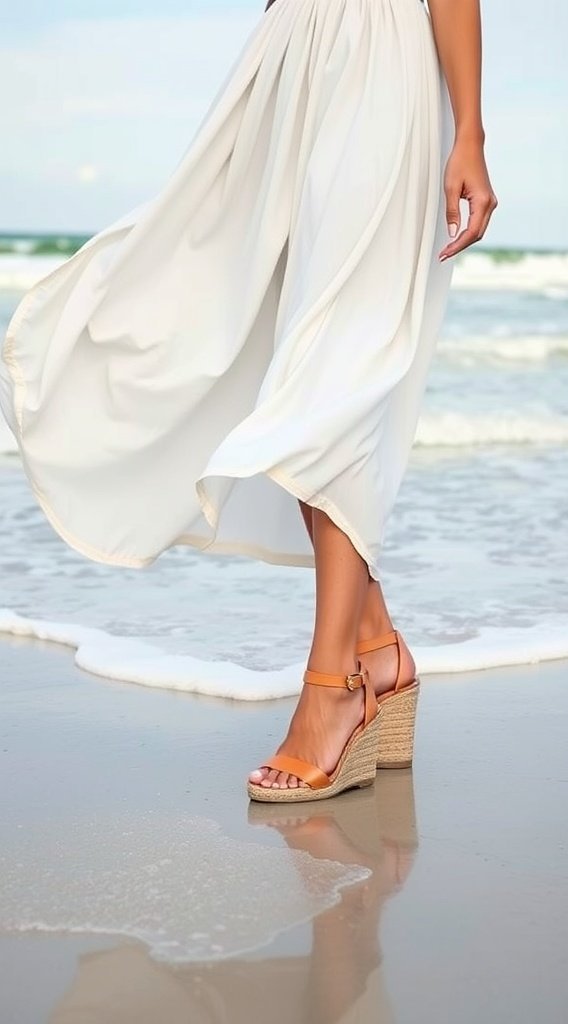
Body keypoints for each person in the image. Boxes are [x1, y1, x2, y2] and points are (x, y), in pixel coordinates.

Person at [0, 0, 497, 803]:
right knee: (261, 340)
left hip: (379, 60)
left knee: (330, 373)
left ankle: (332, 690)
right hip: (285, 56)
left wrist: (469, 127)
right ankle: (376, 650)